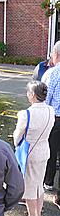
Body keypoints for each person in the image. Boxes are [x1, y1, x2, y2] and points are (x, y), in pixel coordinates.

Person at [13, 81, 55, 216]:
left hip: (29, 152)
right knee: (39, 185)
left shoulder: (26, 114)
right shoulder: (51, 110)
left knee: (30, 187)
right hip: (44, 150)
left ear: (32, 95)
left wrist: (16, 143)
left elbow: (17, 136)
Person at [43, 40, 60, 190]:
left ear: (55, 55)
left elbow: (45, 98)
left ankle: (48, 181)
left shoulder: (52, 73)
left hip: (54, 117)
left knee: (51, 150)